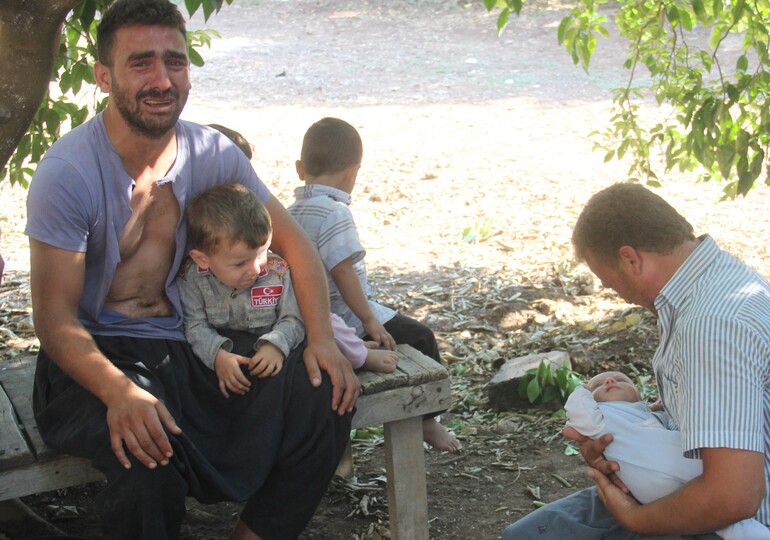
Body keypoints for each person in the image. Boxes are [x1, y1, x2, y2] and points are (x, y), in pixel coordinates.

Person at [24, 1, 359, 538]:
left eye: (174, 62)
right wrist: (118, 392)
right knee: (145, 457)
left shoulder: (211, 152)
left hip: (186, 343)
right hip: (94, 358)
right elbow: (54, 319)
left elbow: (296, 246)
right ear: (104, 76)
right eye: (141, 62)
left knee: (327, 390)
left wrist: (320, 338)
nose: (162, 79)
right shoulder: (68, 172)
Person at [502, 183, 770, 539]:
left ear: (630, 259)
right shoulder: (711, 281)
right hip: (707, 492)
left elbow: (732, 498)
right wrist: (625, 432)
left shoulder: (712, 324)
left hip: (757, 527)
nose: (614, 292)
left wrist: (633, 518)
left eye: (608, 280)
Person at [287, 117, 461, 453]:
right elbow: (343, 272)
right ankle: (427, 420)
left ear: (299, 168)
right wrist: (369, 320)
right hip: (345, 318)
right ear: (353, 172)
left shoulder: (290, 212)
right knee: (420, 337)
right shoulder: (335, 212)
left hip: (311, 319)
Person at [179, 183, 399, 397]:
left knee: (327, 323)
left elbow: (294, 317)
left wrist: (275, 345)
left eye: (261, 254)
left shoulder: (277, 272)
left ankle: (361, 355)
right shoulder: (191, 281)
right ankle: (353, 348)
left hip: (285, 337)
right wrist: (218, 356)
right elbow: (195, 326)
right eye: (240, 264)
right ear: (202, 259)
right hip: (235, 350)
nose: (255, 269)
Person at [564, 372, 770, 540]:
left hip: (665, 483)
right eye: (598, 385)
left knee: (711, 505)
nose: (609, 380)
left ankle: (745, 531)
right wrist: (581, 389)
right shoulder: (601, 416)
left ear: (639, 395)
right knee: (712, 484)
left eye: (621, 380)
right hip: (653, 478)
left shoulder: (652, 414)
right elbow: (577, 410)